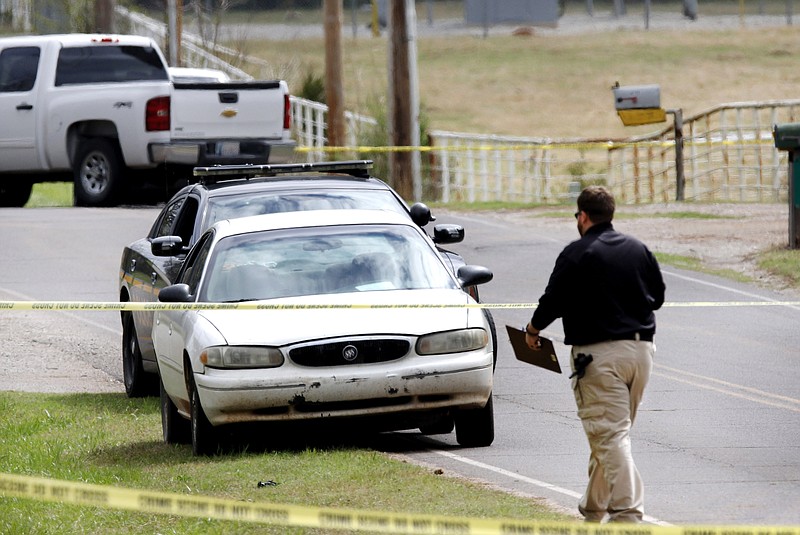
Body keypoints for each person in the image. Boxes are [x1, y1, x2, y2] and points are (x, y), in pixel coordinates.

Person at [525, 185, 665, 524]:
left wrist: (532, 331)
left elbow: (552, 301)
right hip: (641, 352)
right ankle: (592, 510)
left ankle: (627, 514)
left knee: (610, 434)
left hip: (599, 357)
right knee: (611, 434)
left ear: (583, 216)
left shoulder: (577, 253)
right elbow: (657, 297)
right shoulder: (637, 249)